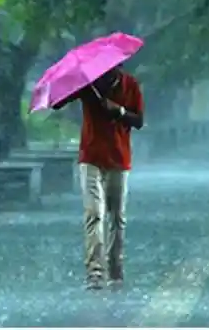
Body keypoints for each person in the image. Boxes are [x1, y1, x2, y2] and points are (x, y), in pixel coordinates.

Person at [53, 63, 144, 290]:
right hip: (90, 158)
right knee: (94, 214)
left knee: (117, 217)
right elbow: (57, 103)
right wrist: (69, 86)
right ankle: (95, 272)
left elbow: (139, 121)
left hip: (119, 159)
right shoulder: (88, 85)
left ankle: (115, 269)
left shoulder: (130, 85)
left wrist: (120, 111)